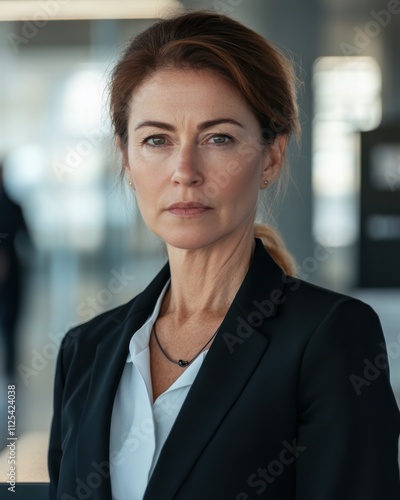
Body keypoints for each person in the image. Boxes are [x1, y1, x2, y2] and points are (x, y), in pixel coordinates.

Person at [48, 11, 400, 500]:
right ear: (126, 159)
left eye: (219, 138)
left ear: (271, 157)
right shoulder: (85, 352)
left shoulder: (331, 339)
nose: (184, 170)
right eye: (156, 140)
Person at [0, 164, 29, 382]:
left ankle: (9, 375)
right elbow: (29, 242)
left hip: (12, 275)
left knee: (10, 325)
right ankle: (9, 373)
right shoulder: (13, 205)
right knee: (10, 326)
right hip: (13, 274)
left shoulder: (13, 205)